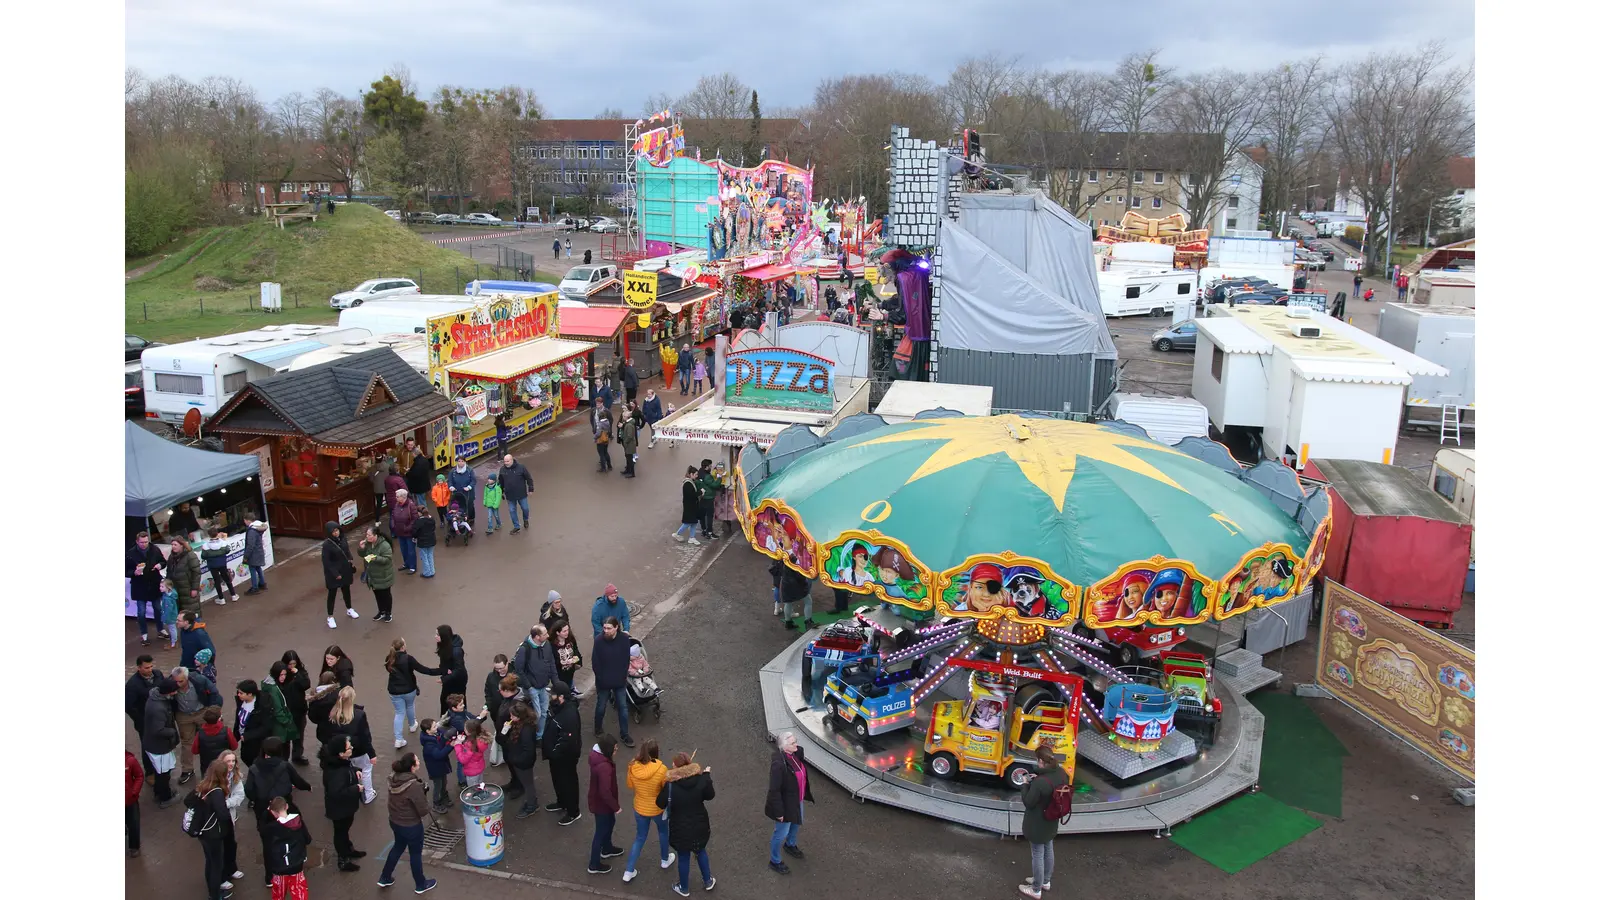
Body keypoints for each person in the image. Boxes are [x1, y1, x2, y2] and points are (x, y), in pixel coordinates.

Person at [245, 737, 311, 888]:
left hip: (264, 809)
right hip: (284, 804)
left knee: (268, 842)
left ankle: (270, 876)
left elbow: (249, 790)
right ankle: (297, 859)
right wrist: (307, 787)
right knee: (295, 831)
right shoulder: (284, 765)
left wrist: (258, 801)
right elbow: (297, 781)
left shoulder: (254, 768)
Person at [378, 753, 438, 893]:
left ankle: (385, 877)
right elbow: (423, 810)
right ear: (412, 767)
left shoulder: (394, 778)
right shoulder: (414, 786)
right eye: (417, 761)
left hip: (395, 821)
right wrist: (423, 793)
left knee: (398, 847)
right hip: (411, 826)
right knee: (415, 854)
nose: (419, 762)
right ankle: (421, 884)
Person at [1018, 745, 1070, 898]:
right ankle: (1045, 881)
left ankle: (1035, 889)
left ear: (1041, 760)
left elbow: (1028, 802)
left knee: (1037, 854)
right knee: (1048, 848)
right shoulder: (1061, 773)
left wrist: (1025, 784)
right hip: (1052, 819)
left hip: (1037, 823)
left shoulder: (1040, 783)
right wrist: (1036, 780)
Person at [661, 751, 716, 894]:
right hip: (699, 825)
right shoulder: (700, 780)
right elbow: (710, 795)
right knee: (701, 851)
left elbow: (660, 803)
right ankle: (708, 880)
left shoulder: (671, 786)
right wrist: (707, 776)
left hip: (680, 828)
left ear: (676, 767)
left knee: (684, 857)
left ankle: (684, 888)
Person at [621, 739, 673, 883]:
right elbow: (665, 788)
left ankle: (629, 871)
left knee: (640, 837)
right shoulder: (661, 769)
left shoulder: (633, 767)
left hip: (640, 808)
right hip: (657, 809)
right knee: (663, 832)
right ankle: (664, 859)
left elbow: (630, 785)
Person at [765, 731, 814, 875]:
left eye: (795, 741)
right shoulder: (778, 765)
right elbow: (774, 790)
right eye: (793, 743)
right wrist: (779, 812)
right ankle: (775, 861)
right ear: (785, 747)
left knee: (797, 822)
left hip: (796, 800)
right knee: (780, 833)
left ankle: (790, 844)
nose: (796, 745)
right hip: (786, 805)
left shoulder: (795, 754)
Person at [319, 734, 366, 872]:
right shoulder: (336, 772)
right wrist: (356, 788)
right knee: (341, 833)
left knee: (344, 830)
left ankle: (348, 849)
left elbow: (347, 769)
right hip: (339, 809)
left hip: (345, 807)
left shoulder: (340, 763)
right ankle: (343, 860)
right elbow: (337, 792)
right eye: (348, 747)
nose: (351, 748)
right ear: (340, 753)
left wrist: (355, 771)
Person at [189, 760, 235, 900]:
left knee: (209, 862)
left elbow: (187, 801)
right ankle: (215, 895)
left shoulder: (202, 785)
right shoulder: (216, 792)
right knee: (216, 865)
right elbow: (223, 814)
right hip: (213, 833)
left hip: (202, 831)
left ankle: (211, 891)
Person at [170, 665, 223, 786]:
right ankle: (187, 770)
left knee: (209, 739)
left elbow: (214, 693)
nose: (178, 684)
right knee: (186, 742)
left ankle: (212, 767)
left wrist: (214, 710)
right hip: (183, 715)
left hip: (202, 713)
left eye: (181, 681)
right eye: (175, 681)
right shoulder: (170, 684)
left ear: (187, 678)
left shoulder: (200, 680)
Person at [385, 638, 442, 749]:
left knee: (399, 713)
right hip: (409, 689)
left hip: (394, 690)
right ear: (402, 647)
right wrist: (441, 671)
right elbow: (424, 670)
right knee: (410, 705)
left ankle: (398, 739)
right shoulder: (408, 659)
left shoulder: (389, 659)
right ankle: (412, 725)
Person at [542, 681, 583, 824]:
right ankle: (562, 802)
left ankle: (573, 811)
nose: (550, 697)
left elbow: (567, 740)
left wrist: (553, 751)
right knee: (558, 780)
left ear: (561, 697)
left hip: (565, 757)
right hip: (555, 756)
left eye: (552, 694)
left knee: (569, 783)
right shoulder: (556, 707)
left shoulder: (569, 714)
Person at [327, 687, 377, 804]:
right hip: (358, 751)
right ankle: (368, 793)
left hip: (342, 752)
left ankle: (352, 788)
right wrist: (372, 754)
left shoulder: (333, 714)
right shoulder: (359, 715)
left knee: (349, 769)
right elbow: (365, 737)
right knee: (366, 769)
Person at [587, 733, 626, 874]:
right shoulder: (604, 767)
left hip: (600, 803)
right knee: (601, 831)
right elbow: (605, 791)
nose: (616, 751)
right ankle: (594, 864)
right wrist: (615, 807)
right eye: (615, 748)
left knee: (609, 824)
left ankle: (607, 848)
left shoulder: (597, 759)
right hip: (603, 805)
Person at [592, 617, 633, 747]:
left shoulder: (624, 640)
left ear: (616, 627)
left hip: (619, 681)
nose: (606, 631)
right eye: (604, 628)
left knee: (623, 707)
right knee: (601, 706)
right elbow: (595, 663)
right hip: (603, 682)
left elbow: (626, 659)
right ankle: (598, 728)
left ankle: (624, 734)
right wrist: (601, 678)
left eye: (609, 628)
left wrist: (623, 676)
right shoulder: (599, 641)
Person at [513, 624, 559, 735]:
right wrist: (529, 687)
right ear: (537, 637)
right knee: (536, 714)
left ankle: (539, 736)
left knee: (543, 712)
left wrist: (556, 682)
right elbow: (519, 670)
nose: (548, 636)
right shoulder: (524, 649)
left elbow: (551, 663)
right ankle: (529, 734)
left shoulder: (546, 644)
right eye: (545, 634)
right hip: (532, 688)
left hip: (543, 686)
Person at [263, 796, 311, 900]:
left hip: (279, 867)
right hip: (296, 864)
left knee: (278, 893)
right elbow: (308, 839)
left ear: (272, 812)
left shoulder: (271, 828)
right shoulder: (299, 821)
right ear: (287, 806)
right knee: (299, 890)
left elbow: (267, 848)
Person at [143, 678, 181, 807]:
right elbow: (158, 730)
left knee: (160, 772)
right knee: (163, 774)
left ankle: (159, 793)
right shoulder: (158, 708)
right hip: (159, 747)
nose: (176, 693)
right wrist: (172, 732)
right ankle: (165, 798)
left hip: (155, 745)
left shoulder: (154, 698)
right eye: (174, 691)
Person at [127, 531, 167, 644]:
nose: (144, 544)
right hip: (139, 586)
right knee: (141, 612)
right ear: (137, 542)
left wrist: (160, 565)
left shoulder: (154, 549)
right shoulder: (130, 553)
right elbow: (125, 570)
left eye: (146, 542)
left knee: (158, 609)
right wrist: (134, 572)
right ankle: (144, 634)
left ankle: (161, 629)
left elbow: (163, 561)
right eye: (142, 542)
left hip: (154, 583)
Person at [506, 701, 543, 818]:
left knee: (528, 785)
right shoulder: (522, 725)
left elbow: (528, 751)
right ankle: (531, 802)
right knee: (527, 783)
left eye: (512, 715)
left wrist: (516, 760)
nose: (510, 717)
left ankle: (532, 805)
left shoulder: (525, 730)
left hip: (523, 763)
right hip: (520, 761)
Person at [322, 523, 358, 629]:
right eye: (333, 531)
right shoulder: (327, 544)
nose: (336, 533)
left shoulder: (343, 539)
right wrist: (335, 574)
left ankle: (349, 609)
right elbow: (326, 562)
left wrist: (350, 559)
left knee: (346, 590)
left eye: (337, 530)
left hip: (345, 569)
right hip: (334, 573)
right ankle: (330, 616)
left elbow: (346, 551)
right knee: (332, 594)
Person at [278, 652, 312, 765]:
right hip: (286, 710)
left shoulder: (301, 672)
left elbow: (306, 684)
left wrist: (297, 675)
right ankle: (284, 758)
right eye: (290, 664)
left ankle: (297, 755)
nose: (292, 666)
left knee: (298, 734)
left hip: (299, 709)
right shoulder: (282, 674)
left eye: (294, 663)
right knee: (286, 736)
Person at [359, 525, 396, 622]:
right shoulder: (367, 543)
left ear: (375, 535)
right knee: (377, 595)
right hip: (373, 575)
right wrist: (362, 548)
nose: (367, 537)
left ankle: (388, 613)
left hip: (383, 575)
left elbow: (387, 559)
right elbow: (362, 554)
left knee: (386, 595)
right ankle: (381, 611)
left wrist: (375, 558)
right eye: (366, 535)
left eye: (369, 535)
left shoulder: (384, 545)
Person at [234, 680, 274, 768]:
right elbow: (238, 720)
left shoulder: (261, 706)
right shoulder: (241, 702)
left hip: (256, 742)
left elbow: (266, 727)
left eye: (241, 693)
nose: (238, 695)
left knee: (255, 762)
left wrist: (248, 735)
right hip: (245, 739)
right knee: (245, 757)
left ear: (250, 694)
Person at [419, 719, 454, 813]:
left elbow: (443, 735)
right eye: (434, 726)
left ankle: (444, 796)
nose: (437, 727)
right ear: (428, 731)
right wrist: (450, 746)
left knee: (444, 782)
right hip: (435, 768)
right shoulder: (429, 745)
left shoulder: (436, 734)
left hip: (441, 766)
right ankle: (436, 802)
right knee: (438, 785)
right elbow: (439, 755)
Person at [434, 624, 469, 716]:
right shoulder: (445, 645)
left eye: (437, 635)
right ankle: (447, 719)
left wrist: (444, 679)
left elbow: (459, 669)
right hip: (450, 678)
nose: (435, 636)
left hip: (457, 681)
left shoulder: (456, 651)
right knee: (445, 700)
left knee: (457, 701)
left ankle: (460, 719)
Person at [193, 707, 239, 775]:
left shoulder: (200, 733)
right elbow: (234, 746)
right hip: (224, 765)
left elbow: (194, 750)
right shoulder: (226, 731)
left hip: (207, 766)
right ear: (219, 719)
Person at [169, 535, 205, 619]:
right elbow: (169, 572)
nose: (173, 547)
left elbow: (196, 573)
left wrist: (194, 588)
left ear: (181, 545)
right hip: (177, 590)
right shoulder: (171, 557)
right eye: (172, 545)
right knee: (182, 616)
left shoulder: (190, 556)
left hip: (188, 589)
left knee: (193, 612)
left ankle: (197, 628)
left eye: (175, 545)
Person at [126, 654, 161, 740]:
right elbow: (128, 707)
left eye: (151, 666)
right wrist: (141, 719)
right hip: (145, 723)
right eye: (147, 668)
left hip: (161, 718)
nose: (150, 669)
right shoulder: (132, 685)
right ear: (139, 668)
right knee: (148, 747)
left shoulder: (158, 674)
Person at [498, 453, 534, 534]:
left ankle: (525, 519)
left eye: (507, 461)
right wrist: (501, 492)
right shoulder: (502, 470)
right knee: (512, 510)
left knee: (525, 508)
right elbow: (501, 482)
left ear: (512, 460)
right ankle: (516, 526)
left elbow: (528, 478)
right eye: (504, 461)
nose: (506, 463)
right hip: (510, 495)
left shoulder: (521, 467)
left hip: (521, 494)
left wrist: (530, 489)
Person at [454, 718, 492, 789]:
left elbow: (463, 759)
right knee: (480, 785)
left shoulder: (471, 745)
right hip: (479, 767)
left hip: (471, 771)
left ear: (469, 732)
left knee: (473, 789)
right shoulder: (481, 740)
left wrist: (458, 745)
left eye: (465, 729)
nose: (464, 730)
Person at [390, 488, 420, 574]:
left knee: (411, 550)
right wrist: (393, 525)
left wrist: (407, 528)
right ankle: (406, 563)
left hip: (409, 534)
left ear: (403, 497)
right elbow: (392, 516)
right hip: (399, 532)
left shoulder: (411, 505)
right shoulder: (397, 505)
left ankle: (412, 566)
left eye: (397, 496)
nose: (396, 498)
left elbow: (415, 520)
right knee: (403, 550)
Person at [671, 466, 702, 545]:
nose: (696, 476)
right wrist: (700, 492)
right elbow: (692, 495)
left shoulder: (690, 482)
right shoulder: (687, 484)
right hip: (690, 506)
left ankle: (692, 537)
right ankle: (677, 533)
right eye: (695, 474)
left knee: (694, 522)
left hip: (692, 506)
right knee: (688, 522)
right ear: (691, 474)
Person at [781, 563, 816, 631]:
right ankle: (808, 622)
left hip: (786, 582)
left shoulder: (784, 555)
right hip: (798, 582)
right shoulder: (798, 558)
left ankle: (788, 623)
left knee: (788, 603)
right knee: (808, 601)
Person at [403, 438, 436, 508]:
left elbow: (415, 473)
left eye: (412, 444)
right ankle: (423, 513)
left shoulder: (418, 462)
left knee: (420, 502)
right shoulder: (423, 460)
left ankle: (423, 515)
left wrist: (408, 472)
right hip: (422, 484)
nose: (410, 446)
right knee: (420, 500)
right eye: (409, 444)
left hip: (417, 486)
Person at [551, 623, 584, 692]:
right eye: (564, 631)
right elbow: (551, 660)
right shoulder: (552, 645)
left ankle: (571, 690)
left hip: (570, 671)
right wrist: (561, 662)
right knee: (561, 691)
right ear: (557, 632)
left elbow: (576, 651)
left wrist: (575, 659)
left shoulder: (570, 639)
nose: (567, 632)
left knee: (569, 683)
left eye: (568, 630)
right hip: (559, 674)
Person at [126, 750, 145, 858]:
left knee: (133, 823)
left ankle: (134, 846)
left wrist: (134, 792)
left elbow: (139, 776)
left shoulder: (130, 761)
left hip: (129, 800)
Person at [446, 457, 477, 524]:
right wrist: (451, 486)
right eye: (459, 461)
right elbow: (449, 481)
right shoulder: (453, 471)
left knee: (469, 506)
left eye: (462, 461)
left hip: (468, 493)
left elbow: (473, 481)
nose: (460, 463)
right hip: (457, 493)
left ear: (465, 462)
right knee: (459, 506)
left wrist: (469, 487)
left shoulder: (470, 470)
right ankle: (459, 519)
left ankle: (471, 518)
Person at [413, 507, 437, 578]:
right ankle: (432, 571)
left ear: (420, 513)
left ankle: (427, 572)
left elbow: (415, 532)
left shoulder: (419, 521)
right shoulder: (432, 520)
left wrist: (415, 537)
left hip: (422, 541)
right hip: (431, 540)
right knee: (430, 555)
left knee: (424, 557)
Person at [592, 399, 614, 472]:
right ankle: (609, 466)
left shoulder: (600, 424)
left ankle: (603, 468)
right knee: (606, 452)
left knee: (601, 454)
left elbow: (598, 433)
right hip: (606, 438)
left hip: (600, 440)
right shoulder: (607, 422)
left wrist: (594, 438)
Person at [618, 405, 640, 478]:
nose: (622, 418)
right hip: (628, 444)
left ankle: (632, 473)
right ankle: (628, 470)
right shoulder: (628, 423)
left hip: (629, 444)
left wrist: (625, 442)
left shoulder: (629, 425)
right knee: (628, 458)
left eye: (623, 416)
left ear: (626, 417)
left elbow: (630, 436)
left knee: (630, 459)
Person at [160, 578, 181, 648]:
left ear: (168, 587)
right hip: (171, 615)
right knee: (173, 628)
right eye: (160, 586)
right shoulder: (168, 595)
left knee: (172, 628)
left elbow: (168, 610)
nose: (160, 588)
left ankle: (174, 642)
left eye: (162, 587)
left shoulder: (168, 598)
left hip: (170, 616)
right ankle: (174, 640)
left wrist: (165, 619)